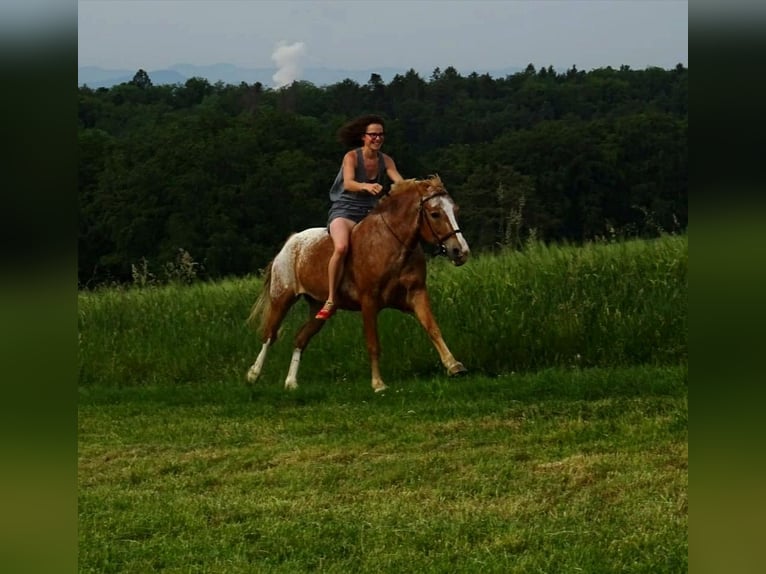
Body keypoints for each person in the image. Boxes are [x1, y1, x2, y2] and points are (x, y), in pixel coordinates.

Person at [316, 114, 404, 320]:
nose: (377, 139)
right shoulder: (352, 157)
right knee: (341, 248)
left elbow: (399, 181)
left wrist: (413, 188)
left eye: (381, 135)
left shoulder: (386, 160)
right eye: (373, 135)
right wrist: (366, 185)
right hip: (344, 211)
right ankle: (330, 298)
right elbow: (348, 183)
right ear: (363, 137)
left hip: (370, 212)